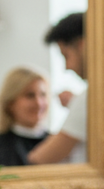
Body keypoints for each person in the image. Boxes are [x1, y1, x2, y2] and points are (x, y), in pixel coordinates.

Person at [29, 11, 87, 164]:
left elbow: (40, 160)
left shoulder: (88, 98)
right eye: (29, 95)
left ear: (82, 46)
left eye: (66, 55)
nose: (67, 67)